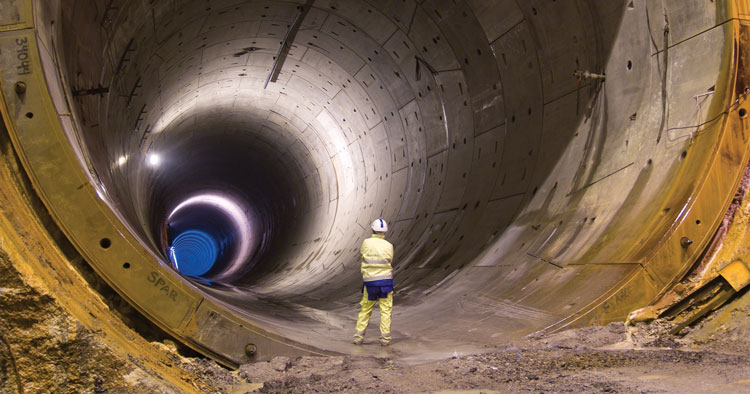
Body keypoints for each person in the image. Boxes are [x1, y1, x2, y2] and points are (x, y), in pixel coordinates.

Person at [353, 218, 394, 346]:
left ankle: (359, 337)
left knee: (365, 310)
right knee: (386, 311)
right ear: (384, 232)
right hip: (386, 283)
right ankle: (385, 339)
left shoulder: (366, 243)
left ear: (372, 230)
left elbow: (362, 255)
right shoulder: (389, 245)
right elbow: (390, 259)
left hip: (370, 283)